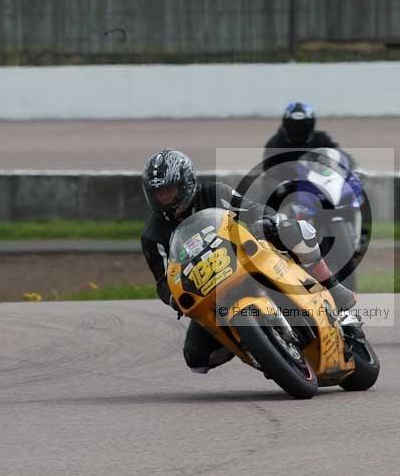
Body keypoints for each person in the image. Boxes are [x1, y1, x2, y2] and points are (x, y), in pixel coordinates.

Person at [140, 149, 357, 374]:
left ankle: (332, 287)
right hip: (209, 290)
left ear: (186, 183)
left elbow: (252, 209)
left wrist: (267, 221)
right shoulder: (152, 235)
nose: (164, 197)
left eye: (169, 190)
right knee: (196, 358)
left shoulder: (216, 193)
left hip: (247, 259)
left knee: (293, 230)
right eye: (158, 193)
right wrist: (174, 298)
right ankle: (256, 347)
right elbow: (163, 282)